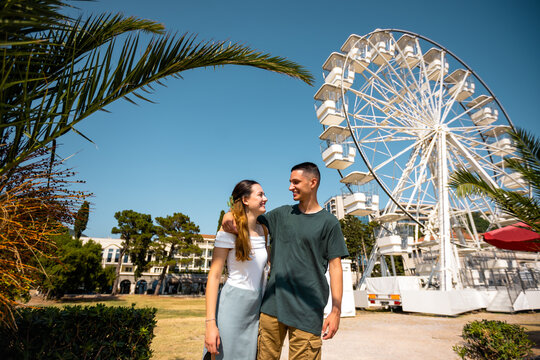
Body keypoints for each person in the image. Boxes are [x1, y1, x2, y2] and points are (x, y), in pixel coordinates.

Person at [222, 162, 349, 360]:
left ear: (313, 182)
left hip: (308, 311)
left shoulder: (329, 223)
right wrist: (228, 215)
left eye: (295, 182)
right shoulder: (281, 214)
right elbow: (248, 217)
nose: (290, 187)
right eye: (290, 182)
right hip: (272, 308)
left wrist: (336, 311)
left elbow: (335, 268)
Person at [204, 180, 269, 360]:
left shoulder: (264, 230)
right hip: (232, 308)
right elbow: (214, 276)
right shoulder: (228, 230)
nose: (266, 198)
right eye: (260, 194)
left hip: (256, 308)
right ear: (246, 200)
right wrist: (210, 324)